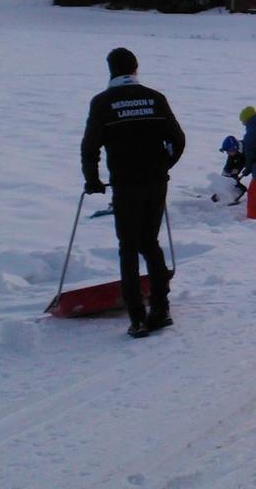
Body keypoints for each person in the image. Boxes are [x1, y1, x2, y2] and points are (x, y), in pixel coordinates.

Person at [81, 47, 186, 338]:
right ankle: (161, 309)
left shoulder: (102, 103)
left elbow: (90, 147)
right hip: (155, 182)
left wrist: (93, 180)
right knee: (150, 243)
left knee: (128, 247)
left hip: (125, 185)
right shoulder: (155, 98)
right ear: (135, 69)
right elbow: (178, 140)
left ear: (110, 70)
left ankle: (137, 318)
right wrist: (164, 165)